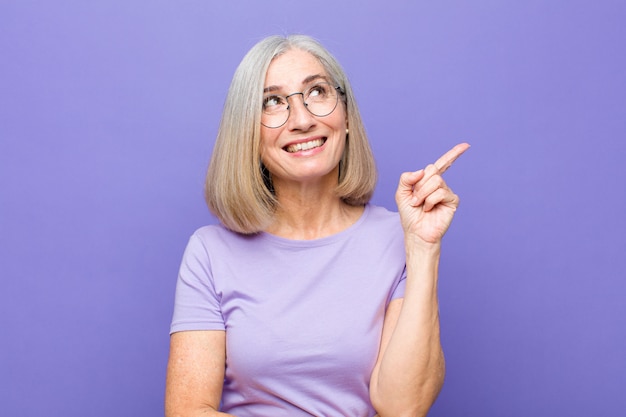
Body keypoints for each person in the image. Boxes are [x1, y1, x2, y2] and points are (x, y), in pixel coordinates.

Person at [165, 34, 469, 417]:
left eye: (318, 92)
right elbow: (188, 411)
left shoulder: (398, 239)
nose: (303, 119)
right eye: (272, 102)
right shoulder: (210, 252)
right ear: (248, 134)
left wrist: (423, 248)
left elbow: (403, 407)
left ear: (345, 118)